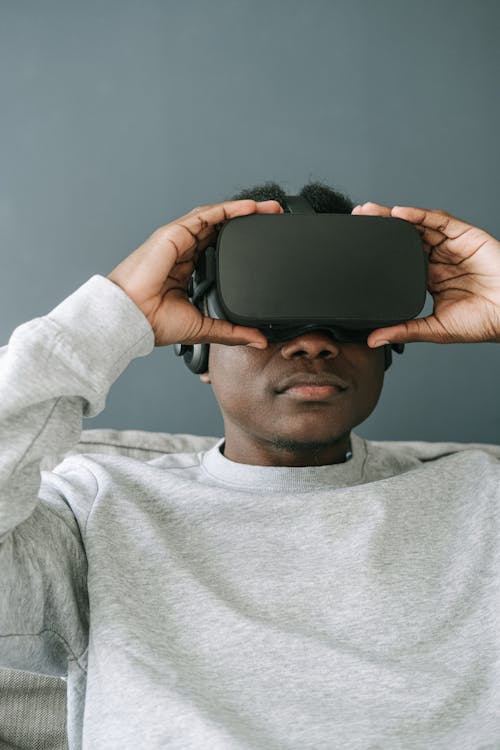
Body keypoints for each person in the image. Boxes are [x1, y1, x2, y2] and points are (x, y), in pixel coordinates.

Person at [0, 180, 499, 750]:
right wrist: (111, 315)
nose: (312, 343)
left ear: (389, 346)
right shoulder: (96, 511)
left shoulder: (482, 498)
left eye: (346, 315)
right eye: (270, 313)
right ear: (196, 349)